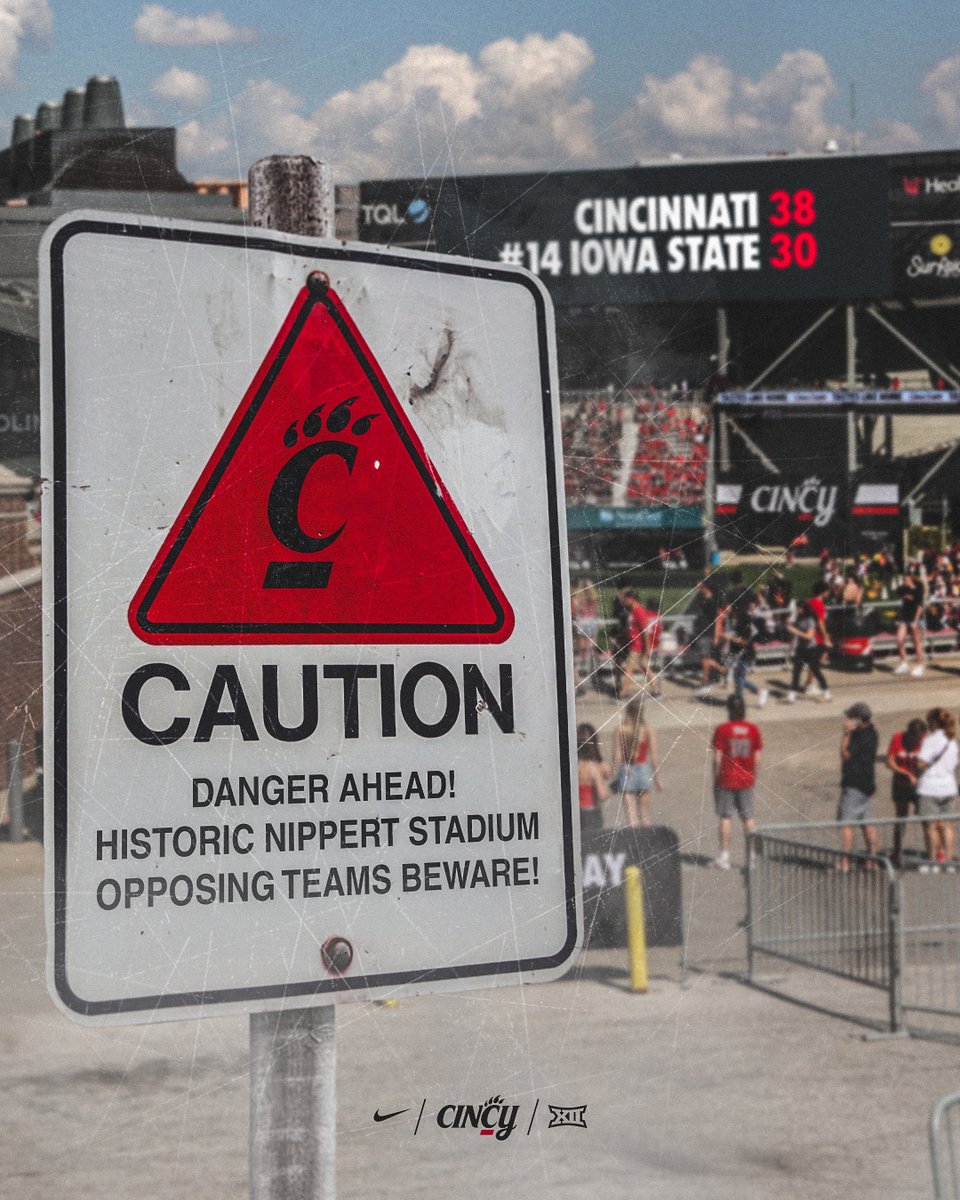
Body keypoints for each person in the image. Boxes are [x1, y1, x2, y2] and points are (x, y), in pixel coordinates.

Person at [710, 693, 762, 869]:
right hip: (746, 778)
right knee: (748, 817)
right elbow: (757, 757)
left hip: (727, 778)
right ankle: (752, 856)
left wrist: (716, 777)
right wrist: (752, 775)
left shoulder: (722, 729)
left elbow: (717, 758)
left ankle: (724, 856)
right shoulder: (753, 729)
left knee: (725, 816)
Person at [837, 702, 879, 871]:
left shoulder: (858, 736)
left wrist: (846, 734)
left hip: (854, 784)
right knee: (866, 822)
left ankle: (844, 862)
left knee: (846, 824)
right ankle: (872, 859)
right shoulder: (872, 732)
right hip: (867, 783)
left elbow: (845, 754)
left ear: (857, 720)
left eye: (850, 717)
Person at [915, 707, 959, 871]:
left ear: (934, 723)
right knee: (947, 825)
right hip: (948, 787)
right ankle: (948, 862)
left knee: (930, 826)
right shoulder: (951, 741)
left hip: (930, 787)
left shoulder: (931, 741)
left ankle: (932, 861)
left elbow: (921, 763)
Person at [613, 696, 662, 827]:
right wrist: (657, 778)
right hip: (643, 768)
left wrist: (613, 774)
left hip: (627, 769)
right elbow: (654, 755)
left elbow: (617, 755)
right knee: (645, 814)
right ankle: (648, 845)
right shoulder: (648, 729)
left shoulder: (620, 729)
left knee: (631, 817)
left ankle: (634, 846)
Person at [885, 717, 926, 867]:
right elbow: (889, 761)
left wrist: (918, 770)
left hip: (920, 785)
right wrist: (904, 772)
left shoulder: (925, 741)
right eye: (915, 738)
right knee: (901, 817)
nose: (917, 741)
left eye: (919, 738)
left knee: (926, 818)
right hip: (901, 784)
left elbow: (926, 762)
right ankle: (896, 852)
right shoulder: (897, 738)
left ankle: (932, 852)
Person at [725, 595, 769, 709]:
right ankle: (759, 692)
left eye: (728, 607)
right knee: (738, 678)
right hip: (737, 653)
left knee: (739, 678)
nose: (726, 609)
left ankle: (739, 702)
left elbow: (746, 641)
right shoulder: (732, 619)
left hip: (746, 654)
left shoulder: (744, 620)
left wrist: (732, 638)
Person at [784, 600, 832, 703]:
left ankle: (827, 693)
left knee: (815, 670)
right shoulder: (798, 619)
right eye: (797, 608)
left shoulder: (810, 620)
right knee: (796, 671)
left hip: (811, 649)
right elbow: (796, 629)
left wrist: (795, 630)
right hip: (801, 648)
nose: (798, 610)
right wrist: (790, 624)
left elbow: (810, 636)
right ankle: (792, 696)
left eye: (799, 608)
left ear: (804, 609)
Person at [577, 722, 612, 839]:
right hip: (590, 812)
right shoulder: (593, 768)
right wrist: (611, 789)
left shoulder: (574, 767)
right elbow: (602, 795)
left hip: (576, 811)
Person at [894, 562, 926, 677]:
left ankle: (919, 666)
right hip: (905, 616)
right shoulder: (903, 588)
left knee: (916, 642)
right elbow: (897, 592)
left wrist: (915, 621)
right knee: (899, 639)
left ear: (911, 579)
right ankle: (904, 663)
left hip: (916, 617)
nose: (905, 581)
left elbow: (920, 606)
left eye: (906, 579)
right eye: (904, 580)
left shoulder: (919, 589)